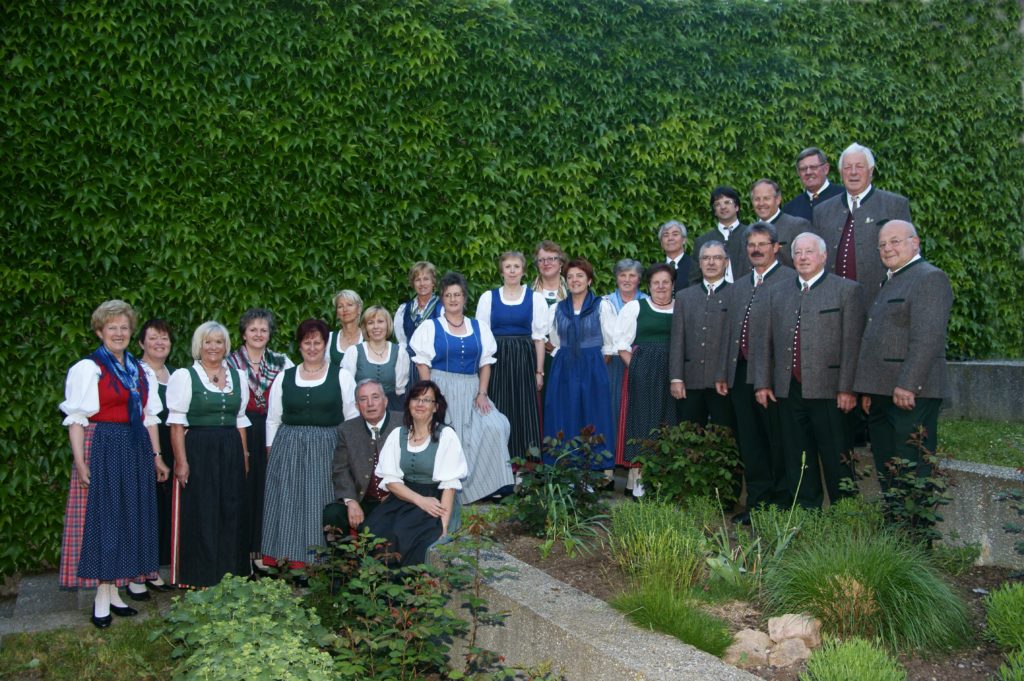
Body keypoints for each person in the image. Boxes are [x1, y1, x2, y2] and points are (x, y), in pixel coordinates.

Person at [59, 300, 170, 628]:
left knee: (128, 517)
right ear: (99, 331)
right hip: (103, 445)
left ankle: (115, 591)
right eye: (112, 328)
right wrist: (80, 461)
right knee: (105, 518)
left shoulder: (141, 370)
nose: (119, 333)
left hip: (135, 448)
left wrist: (157, 456)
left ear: (130, 331)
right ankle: (101, 597)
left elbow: (150, 418)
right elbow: (77, 419)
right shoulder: (88, 368)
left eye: (124, 327)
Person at [753, 233, 865, 509]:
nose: (803, 257)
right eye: (798, 252)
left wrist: (848, 388)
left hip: (830, 389)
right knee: (796, 456)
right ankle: (806, 512)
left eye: (809, 252)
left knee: (836, 454)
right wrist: (762, 383)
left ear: (824, 256)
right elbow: (764, 340)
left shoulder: (846, 290)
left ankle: (845, 515)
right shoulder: (777, 291)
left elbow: (852, 344)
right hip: (788, 389)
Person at [854, 220, 953, 487]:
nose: (887, 248)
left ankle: (916, 528)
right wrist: (869, 389)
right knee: (887, 464)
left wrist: (908, 384)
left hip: (910, 394)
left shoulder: (929, 277)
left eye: (895, 241)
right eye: (882, 244)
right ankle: (895, 524)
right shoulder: (889, 280)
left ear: (915, 242)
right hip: (883, 392)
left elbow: (928, 338)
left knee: (913, 466)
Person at [261, 319, 358, 569]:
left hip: (328, 448)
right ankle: (291, 560)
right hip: (289, 448)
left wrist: (350, 455)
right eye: (307, 342)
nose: (312, 347)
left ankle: (319, 563)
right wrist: (272, 453)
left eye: (317, 342)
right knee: (290, 503)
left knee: (320, 502)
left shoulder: (342, 376)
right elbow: (273, 419)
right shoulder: (285, 376)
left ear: (325, 345)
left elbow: (352, 417)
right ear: (300, 346)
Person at [410, 272, 513, 503]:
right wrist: (430, 396)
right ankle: (453, 490)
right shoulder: (431, 327)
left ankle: (487, 484)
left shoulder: (479, 327)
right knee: (452, 436)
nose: (453, 299)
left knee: (496, 425)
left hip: (472, 389)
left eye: (458, 295)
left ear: (465, 298)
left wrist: (482, 393)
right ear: (442, 298)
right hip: (441, 387)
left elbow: (486, 363)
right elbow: (422, 363)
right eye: (448, 295)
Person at [717, 223, 794, 522]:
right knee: (749, 441)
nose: (756, 249)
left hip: (774, 376)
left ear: (776, 247)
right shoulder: (738, 286)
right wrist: (724, 372)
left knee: (776, 439)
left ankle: (780, 503)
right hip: (741, 373)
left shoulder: (789, 280)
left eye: (763, 244)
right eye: (751, 245)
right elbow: (729, 333)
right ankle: (758, 503)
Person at [166, 321, 251, 588]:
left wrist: (245, 456)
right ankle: (199, 577)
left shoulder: (238, 376)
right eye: (208, 341)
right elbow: (177, 424)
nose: (213, 347)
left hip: (230, 447)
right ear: (198, 345)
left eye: (219, 342)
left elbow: (240, 421)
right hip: (199, 447)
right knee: (202, 511)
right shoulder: (185, 376)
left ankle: (230, 574)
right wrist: (181, 461)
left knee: (231, 509)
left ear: (226, 346)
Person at [365, 380, 468, 567]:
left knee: (407, 535)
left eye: (427, 400)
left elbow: (450, 487)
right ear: (409, 404)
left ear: (436, 407)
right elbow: (392, 482)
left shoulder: (446, 436)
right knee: (374, 528)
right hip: (405, 497)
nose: (420, 404)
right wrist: (420, 500)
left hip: (436, 499)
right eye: (416, 399)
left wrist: (443, 528)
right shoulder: (398, 434)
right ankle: (375, 589)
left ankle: (407, 590)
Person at [225, 308, 293, 572]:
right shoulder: (229, 362)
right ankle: (239, 553)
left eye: (263, 329)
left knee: (266, 492)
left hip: (270, 431)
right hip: (240, 431)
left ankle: (261, 553)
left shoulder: (281, 362)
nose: (258, 334)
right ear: (243, 333)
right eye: (252, 329)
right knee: (241, 491)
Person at [543, 258, 616, 473]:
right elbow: (550, 339)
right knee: (563, 414)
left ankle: (592, 471)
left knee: (594, 414)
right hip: (564, 369)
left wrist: (592, 366)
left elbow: (610, 344)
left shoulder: (601, 306)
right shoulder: (557, 309)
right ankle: (564, 467)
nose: (575, 280)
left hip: (593, 367)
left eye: (580, 276)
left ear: (589, 280)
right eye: (571, 277)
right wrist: (560, 354)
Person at [812, 142, 913, 298]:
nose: (853, 173)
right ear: (840, 172)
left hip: (878, 300)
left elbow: (908, 257)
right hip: (832, 303)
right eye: (847, 168)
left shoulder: (894, 205)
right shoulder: (822, 211)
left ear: (870, 171)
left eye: (859, 167)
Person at [475, 251, 548, 461]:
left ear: (523, 270)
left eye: (517, 266)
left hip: (524, 361)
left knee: (524, 412)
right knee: (498, 410)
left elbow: (539, 339)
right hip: (497, 362)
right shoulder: (489, 298)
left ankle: (525, 470)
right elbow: (483, 339)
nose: (512, 271)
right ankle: (498, 468)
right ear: (502, 271)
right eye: (508, 266)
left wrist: (539, 371)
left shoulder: (535, 299)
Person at [614, 263, 677, 498]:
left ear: (673, 285)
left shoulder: (681, 308)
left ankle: (663, 479)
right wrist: (639, 367)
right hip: (644, 372)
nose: (661, 287)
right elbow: (621, 344)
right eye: (655, 282)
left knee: (668, 422)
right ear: (648, 286)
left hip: (673, 374)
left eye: (665, 282)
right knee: (643, 422)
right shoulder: (636, 308)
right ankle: (639, 481)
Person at [131, 318, 177, 598]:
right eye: (153, 338)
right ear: (141, 343)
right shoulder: (135, 372)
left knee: (162, 510)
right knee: (140, 509)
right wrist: (154, 453)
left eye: (165, 339)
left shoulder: (176, 374)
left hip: (170, 447)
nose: (160, 343)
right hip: (143, 446)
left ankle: (154, 570)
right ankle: (136, 575)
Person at [670, 241, 735, 428]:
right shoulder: (684, 296)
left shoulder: (737, 293)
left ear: (726, 262)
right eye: (706, 258)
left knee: (725, 438)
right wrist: (676, 377)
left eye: (717, 258)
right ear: (699, 263)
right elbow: (677, 340)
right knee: (689, 437)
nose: (711, 262)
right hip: (691, 381)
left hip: (724, 383)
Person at [325, 379, 402, 537]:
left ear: (385, 401)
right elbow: (340, 469)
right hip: (364, 499)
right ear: (356, 406)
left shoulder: (403, 423)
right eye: (363, 399)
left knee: (378, 526)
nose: (370, 404)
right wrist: (351, 501)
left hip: (398, 499)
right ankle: (344, 561)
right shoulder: (347, 429)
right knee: (333, 514)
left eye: (375, 397)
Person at [603, 259, 649, 464]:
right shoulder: (605, 302)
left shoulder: (648, 302)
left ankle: (633, 466)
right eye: (623, 275)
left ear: (639, 278)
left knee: (634, 413)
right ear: (616, 277)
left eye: (632, 275)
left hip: (636, 362)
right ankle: (608, 467)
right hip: (610, 363)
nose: (627, 279)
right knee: (610, 411)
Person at [341, 306, 410, 406]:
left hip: (391, 407)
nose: (376, 326)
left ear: (388, 325)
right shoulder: (354, 352)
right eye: (371, 323)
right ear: (365, 327)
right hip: (362, 407)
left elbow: (400, 390)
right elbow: (347, 387)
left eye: (380, 321)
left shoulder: (399, 352)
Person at [689, 186, 749, 285]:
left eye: (727, 202)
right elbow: (694, 280)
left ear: (737, 207)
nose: (723, 207)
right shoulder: (703, 241)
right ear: (715, 211)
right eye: (717, 204)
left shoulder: (751, 235)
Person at [750, 178, 811, 268]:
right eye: (757, 199)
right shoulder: (748, 231)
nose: (761, 203)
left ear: (778, 199)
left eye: (766, 198)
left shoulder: (797, 226)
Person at [394, 261, 441, 378]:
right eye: (417, 280)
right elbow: (402, 340)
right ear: (413, 283)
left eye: (426, 279)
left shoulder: (442, 308)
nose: (422, 283)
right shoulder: (404, 309)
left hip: (436, 365)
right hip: (410, 365)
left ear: (433, 282)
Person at [781, 147, 844, 222]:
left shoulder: (845, 197)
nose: (808, 172)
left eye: (813, 167)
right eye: (803, 169)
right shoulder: (790, 209)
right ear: (798, 173)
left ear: (826, 169)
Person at [327, 290, 363, 364]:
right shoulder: (329, 338)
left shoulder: (368, 337)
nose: (345, 309)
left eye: (349, 305)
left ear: (359, 309)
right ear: (337, 313)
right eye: (340, 306)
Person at [658, 220, 691, 291]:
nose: (670, 238)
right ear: (661, 242)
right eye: (666, 235)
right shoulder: (657, 269)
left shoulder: (695, 266)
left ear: (684, 240)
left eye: (675, 234)